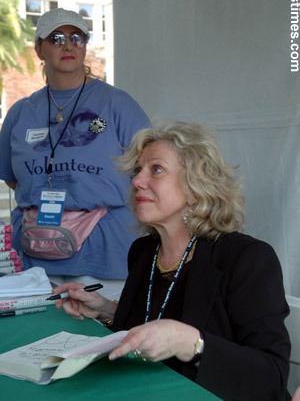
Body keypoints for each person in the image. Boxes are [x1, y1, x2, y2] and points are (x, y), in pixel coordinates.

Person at [53, 121, 291, 400]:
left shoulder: (246, 259)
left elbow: (271, 377)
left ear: (195, 186)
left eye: (156, 169)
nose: (137, 181)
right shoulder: (143, 251)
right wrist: (106, 310)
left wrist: (193, 343)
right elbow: (150, 325)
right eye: (137, 171)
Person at [0, 7, 150, 299]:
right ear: (39, 49)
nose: (67, 45)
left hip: (104, 255)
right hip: (35, 254)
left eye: (76, 37)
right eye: (56, 38)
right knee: (39, 338)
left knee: (101, 337)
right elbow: (12, 178)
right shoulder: (20, 112)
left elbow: (148, 169)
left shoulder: (117, 104)